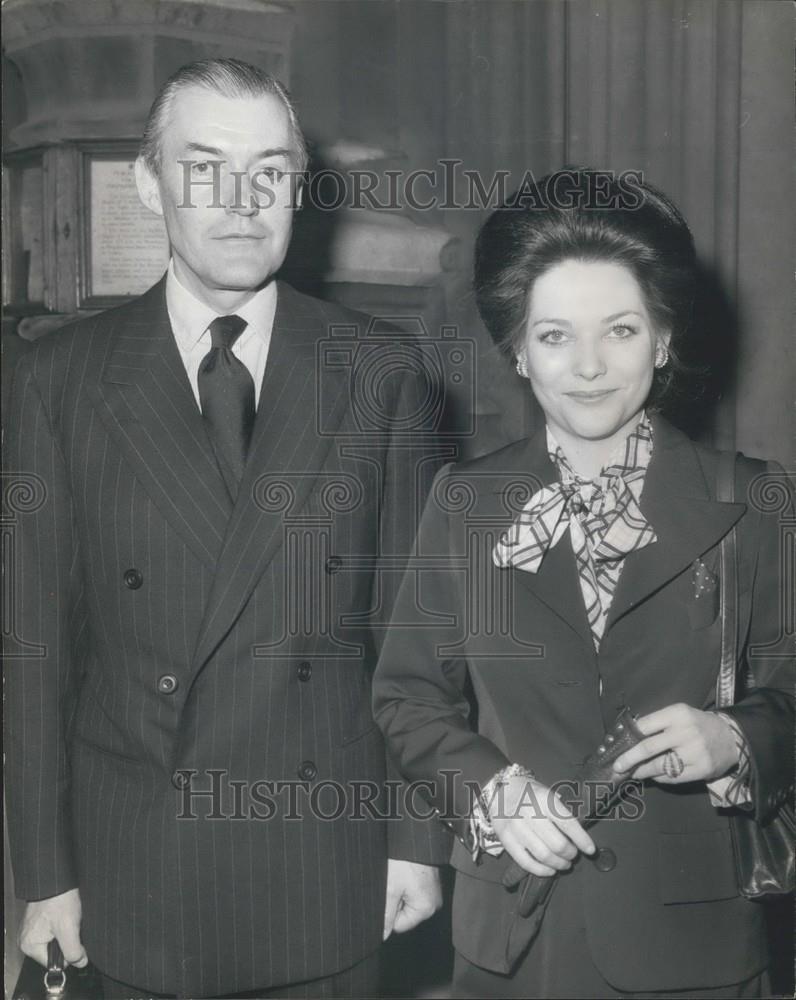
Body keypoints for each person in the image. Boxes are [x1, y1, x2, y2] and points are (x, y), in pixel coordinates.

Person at [5, 57, 447, 1000]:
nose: (243, 202)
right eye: (206, 169)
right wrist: (43, 875)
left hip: (324, 863)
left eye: (272, 172)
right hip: (134, 870)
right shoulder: (58, 379)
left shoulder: (381, 371)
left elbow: (418, 636)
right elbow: (34, 651)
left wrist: (416, 842)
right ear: (148, 181)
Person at [373, 170, 794, 997]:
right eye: (557, 336)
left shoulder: (753, 499)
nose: (591, 367)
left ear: (664, 339)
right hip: (513, 941)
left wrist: (738, 742)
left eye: (623, 330)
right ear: (519, 351)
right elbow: (408, 697)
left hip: (691, 945)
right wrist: (491, 789)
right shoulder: (466, 502)